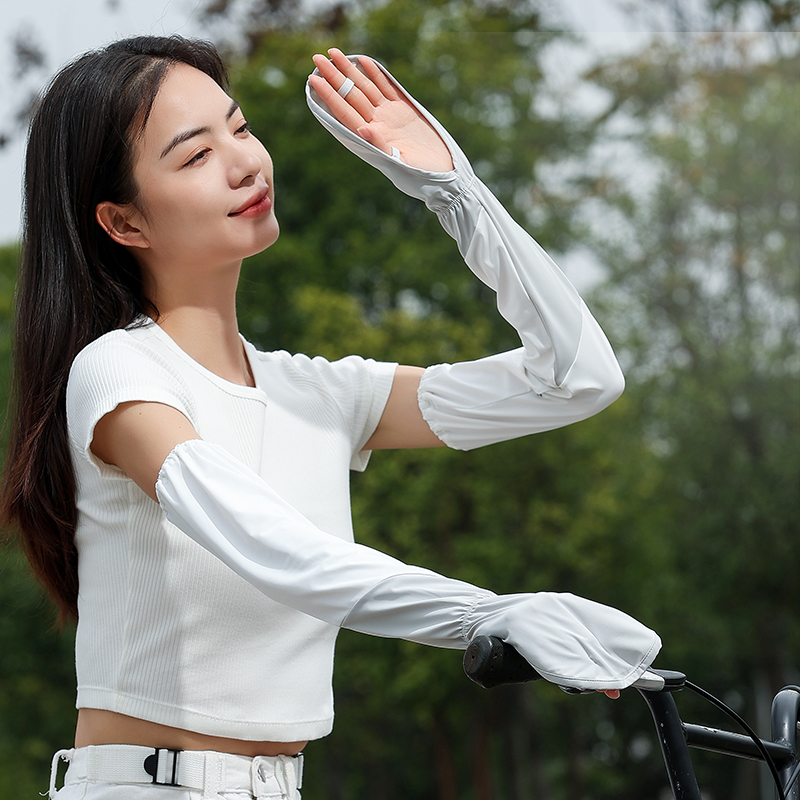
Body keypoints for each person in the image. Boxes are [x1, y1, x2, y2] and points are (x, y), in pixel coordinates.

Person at [1, 36, 660, 800]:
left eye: (241, 129)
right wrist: (492, 614)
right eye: (194, 156)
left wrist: (455, 193)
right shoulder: (116, 372)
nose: (246, 162)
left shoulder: (317, 395)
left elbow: (577, 379)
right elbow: (276, 550)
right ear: (124, 224)